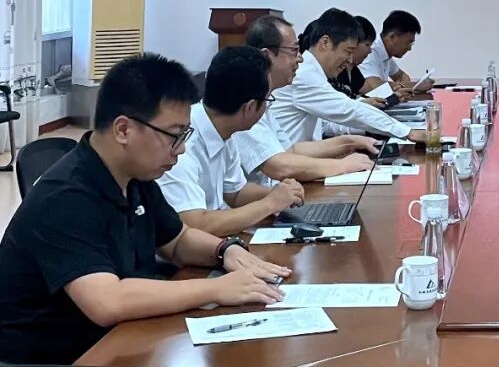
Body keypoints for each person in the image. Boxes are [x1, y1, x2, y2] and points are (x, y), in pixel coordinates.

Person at [0, 54, 287, 366]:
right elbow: (106, 302)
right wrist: (215, 289)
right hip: (57, 356)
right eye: (174, 136)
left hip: (119, 337)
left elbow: (178, 241)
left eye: (185, 135)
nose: (182, 149)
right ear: (123, 130)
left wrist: (225, 251)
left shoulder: (134, 176)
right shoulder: (64, 197)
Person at [157, 46, 306, 236]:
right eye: (267, 100)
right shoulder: (182, 142)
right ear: (250, 107)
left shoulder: (223, 128)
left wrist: (278, 193)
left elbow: (236, 193)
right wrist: (269, 204)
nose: (267, 107)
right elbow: (195, 224)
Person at [232, 15, 381, 186]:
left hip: (280, 188)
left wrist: (351, 142)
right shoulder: (245, 99)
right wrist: (342, 165)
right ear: (267, 55)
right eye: (294, 50)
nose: (300, 58)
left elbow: (291, 149)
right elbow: (277, 165)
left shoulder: (265, 97)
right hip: (265, 192)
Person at [273, 8, 425, 143]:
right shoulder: (304, 76)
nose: (350, 60)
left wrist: (367, 132)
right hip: (289, 161)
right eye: (348, 51)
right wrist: (408, 132)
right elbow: (349, 110)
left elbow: (327, 124)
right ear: (325, 43)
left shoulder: (315, 73)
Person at [359, 9, 433, 97]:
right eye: (408, 42)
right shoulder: (370, 52)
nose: (409, 48)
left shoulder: (386, 53)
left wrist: (402, 87)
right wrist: (414, 86)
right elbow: (376, 87)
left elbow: (401, 76)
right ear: (392, 36)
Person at [330, 15, 377, 98]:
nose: (370, 51)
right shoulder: (335, 69)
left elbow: (368, 93)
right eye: (367, 45)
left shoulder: (354, 71)